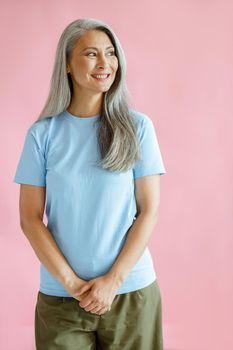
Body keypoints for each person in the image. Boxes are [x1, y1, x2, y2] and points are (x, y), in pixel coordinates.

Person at [13, 18, 166, 350]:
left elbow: (149, 211)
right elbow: (29, 218)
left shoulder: (138, 128)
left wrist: (113, 281)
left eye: (111, 53)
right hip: (62, 300)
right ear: (67, 63)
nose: (105, 64)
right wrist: (71, 284)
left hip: (130, 295)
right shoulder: (42, 135)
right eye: (91, 54)